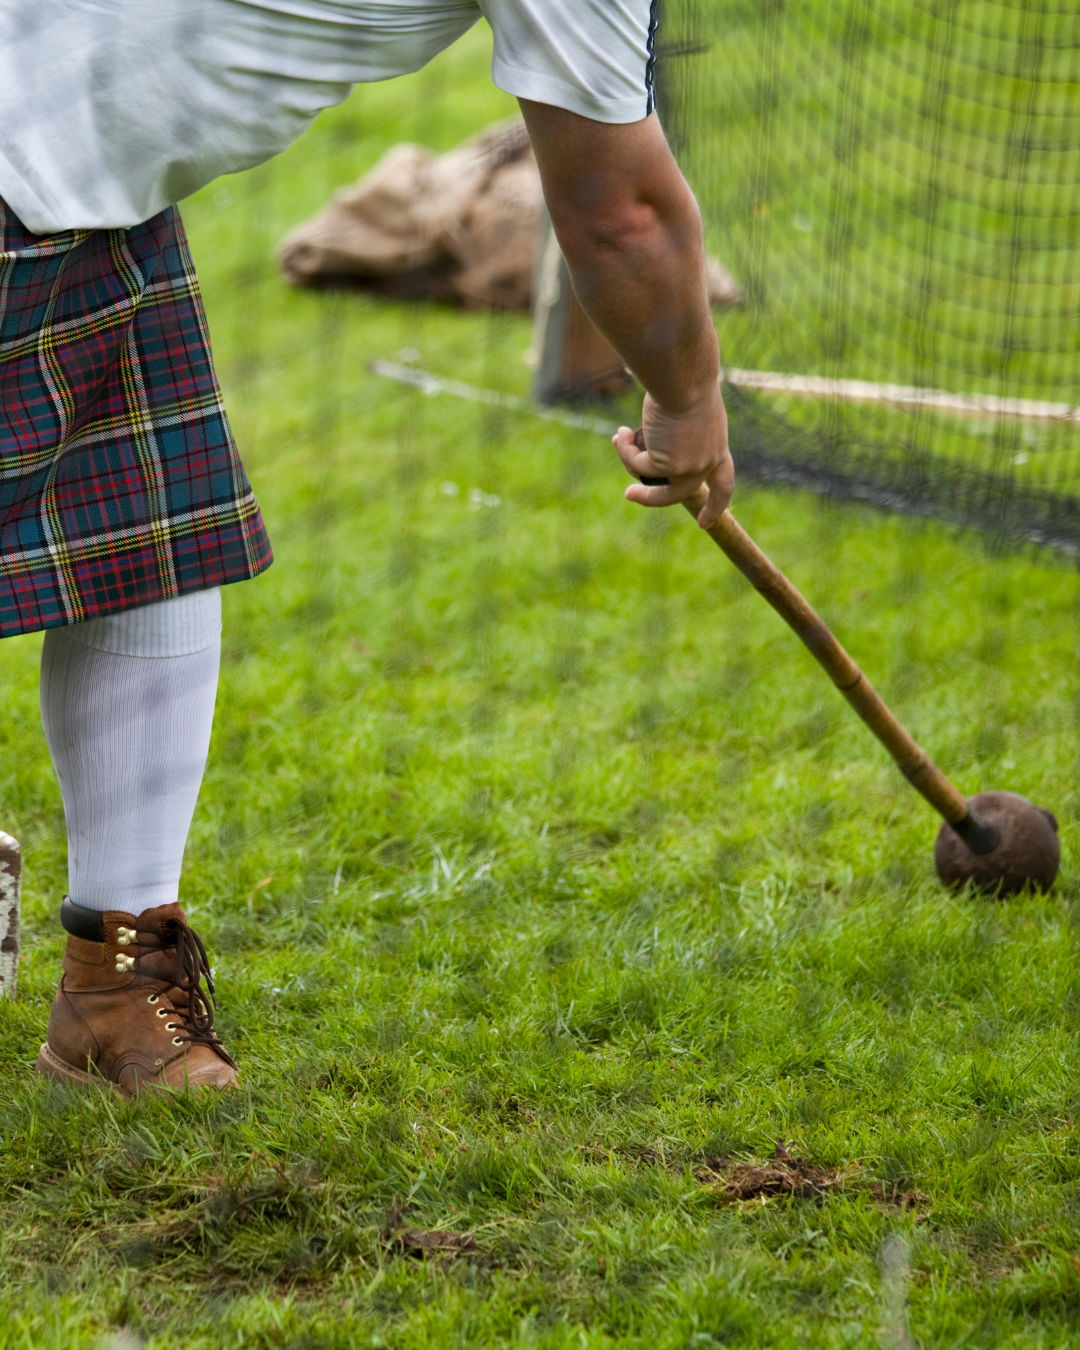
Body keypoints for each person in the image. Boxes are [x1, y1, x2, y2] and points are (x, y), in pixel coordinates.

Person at [0, 0, 732, 1095]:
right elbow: (618, 210)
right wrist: (692, 398)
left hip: (85, 182)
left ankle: (115, 991)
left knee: (148, 541)